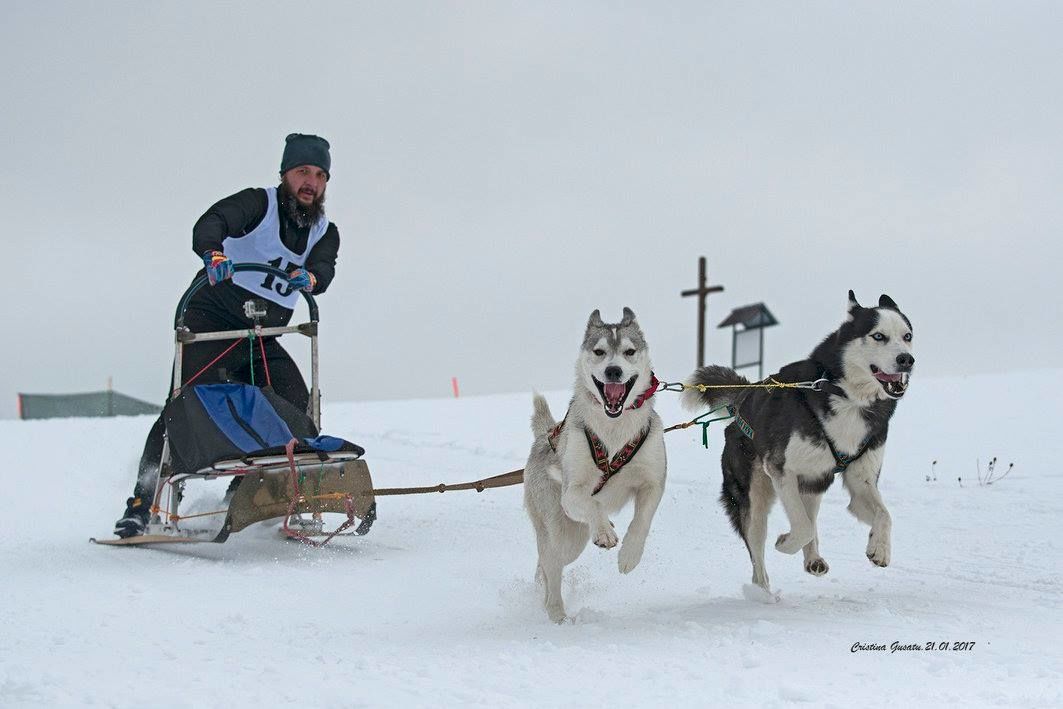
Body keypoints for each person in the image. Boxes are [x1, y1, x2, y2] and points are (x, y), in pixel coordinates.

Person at [113, 133, 341, 538]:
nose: (311, 182)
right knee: (181, 406)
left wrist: (313, 276)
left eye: (320, 175)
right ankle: (142, 503)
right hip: (212, 321)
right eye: (302, 172)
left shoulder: (325, 230)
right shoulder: (259, 204)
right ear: (285, 174)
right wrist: (213, 253)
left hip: (262, 335)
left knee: (296, 406)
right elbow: (211, 222)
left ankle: (249, 489)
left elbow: (324, 267)